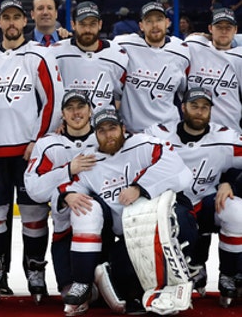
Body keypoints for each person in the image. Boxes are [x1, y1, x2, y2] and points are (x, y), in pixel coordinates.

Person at [0, 0, 63, 305]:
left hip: (27, 152)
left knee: (35, 214)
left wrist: (41, 140)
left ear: (26, 22)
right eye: (6, 17)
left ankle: (35, 271)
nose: (11, 23)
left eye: (17, 18)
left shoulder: (40, 54)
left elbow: (53, 100)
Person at [59, 107, 195, 315]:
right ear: (95, 134)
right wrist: (68, 195)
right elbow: (67, 187)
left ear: (123, 128)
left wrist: (140, 188)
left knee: (179, 224)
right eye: (102, 131)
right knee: (124, 283)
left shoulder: (146, 144)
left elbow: (181, 172)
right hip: (131, 238)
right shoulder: (89, 160)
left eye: (112, 128)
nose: (108, 135)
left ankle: (176, 280)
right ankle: (88, 280)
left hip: (164, 222)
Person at [144, 87, 242, 305]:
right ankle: (171, 279)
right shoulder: (159, 134)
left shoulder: (224, 137)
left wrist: (230, 182)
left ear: (210, 111)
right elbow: (130, 152)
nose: (199, 112)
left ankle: (228, 274)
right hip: (172, 204)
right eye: (194, 106)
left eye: (204, 107)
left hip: (208, 201)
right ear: (183, 108)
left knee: (237, 211)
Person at [24, 90, 97, 304]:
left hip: (103, 233)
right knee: (70, 296)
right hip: (64, 234)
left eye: (81, 107)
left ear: (90, 110)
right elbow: (34, 189)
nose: (76, 113)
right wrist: (68, 170)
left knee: (105, 296)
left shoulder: (104, 139)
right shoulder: (47, 144)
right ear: (62, 114)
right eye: (70, 108)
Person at [115, 1, 190, 132]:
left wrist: (204, 37)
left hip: (169, 133)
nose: (155, 25)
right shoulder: (125, 45)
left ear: (167, 22)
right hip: (133, 134)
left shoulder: (182, 51)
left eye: (159, 20)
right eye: (149, 21)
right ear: (141, 26)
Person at [52, 1, 128, 109]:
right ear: (73, 24)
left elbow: (125, 97)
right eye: (82, 24)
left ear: (100, 25)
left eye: (92, 24)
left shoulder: (118, 55)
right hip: (69, 123)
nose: (87, 30)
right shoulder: (57, 53)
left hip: (103, 124)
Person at [184, 8, 242, 133]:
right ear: (210, 28)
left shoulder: (240, 57)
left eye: (228, 27)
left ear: (235, 30)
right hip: (195, 132)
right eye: (219, 27)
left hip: (230, 133)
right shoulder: (194, 46)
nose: (224, 31)